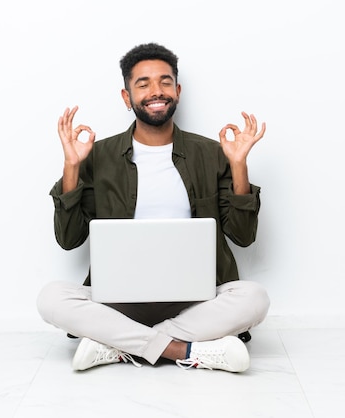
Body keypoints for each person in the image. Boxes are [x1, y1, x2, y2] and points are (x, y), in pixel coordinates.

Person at [37, 43, 270, 373]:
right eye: (143, 84)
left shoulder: (212, 152)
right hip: (120, 303)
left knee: (255, 297)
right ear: (126, 97)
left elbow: (243, 237)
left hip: (195, 301)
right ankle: (184, 349)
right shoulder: (97, 155)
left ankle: (116, 344)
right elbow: (69, 238)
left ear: (178, 90)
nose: (155, 91)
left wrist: (239, 166)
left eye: (165, 81)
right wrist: (72, 166)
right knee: (51, 297)